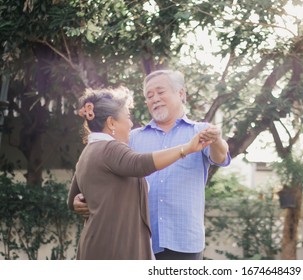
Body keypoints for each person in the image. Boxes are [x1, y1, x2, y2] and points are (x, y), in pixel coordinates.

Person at [73, 70, 231, 260]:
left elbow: (220, 157)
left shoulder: (200, 132)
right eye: (149, 95)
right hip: (141, 239)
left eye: (160, 92)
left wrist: (216, 140)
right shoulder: (130, 138)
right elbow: (98, 167)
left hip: (183, 239)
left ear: (181, 94)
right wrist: (79, 198)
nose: (154, 98)